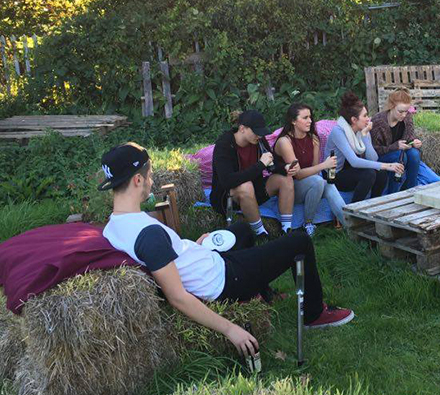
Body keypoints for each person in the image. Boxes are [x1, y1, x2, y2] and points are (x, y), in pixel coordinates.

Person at [99, 143, 355, 358]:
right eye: (150, 174)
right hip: (224, 279)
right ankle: (314, 314)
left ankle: (263, 293)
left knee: (243, 231)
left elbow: (169, 258)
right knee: (299, 242)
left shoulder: (113, 226)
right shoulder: (148, 234)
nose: (152, 181)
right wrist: (231, 329)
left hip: (205, 260)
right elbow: (177, 296)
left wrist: (194, 247)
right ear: (137, 179)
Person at [210, 110, 299, 238]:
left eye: (261, 132)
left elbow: (271, 164)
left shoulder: (259, 141)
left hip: (255, 190)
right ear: (242, 129)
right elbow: (227, 181)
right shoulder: (224, 145)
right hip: (227, 196)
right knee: (246, 186)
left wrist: (284, 168)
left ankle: (286, 229)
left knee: (286, 179)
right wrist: (260, 165)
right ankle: (260, 233)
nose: (259, 135)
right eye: (256, 131)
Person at [274, 103, 347, 235]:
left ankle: (350, 226)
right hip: (288, 189)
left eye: (310, 117)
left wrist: (320, 167)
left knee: (327, 184)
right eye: (305, 118)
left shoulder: (313, 139)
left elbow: (314, 169)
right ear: (293, 121)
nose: (310, 121)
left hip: (309, 183)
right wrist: (324, 165)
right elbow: (298, 175)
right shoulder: (285, 142)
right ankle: (308, 224)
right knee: (319, 181)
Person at [324, 91, 403, 203]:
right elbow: (354, 161)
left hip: (351, 171)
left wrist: (365, 136)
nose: (368, 119)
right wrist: (387, 165)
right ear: (354, 120)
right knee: (369, 174)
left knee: (381, 173)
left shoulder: (361, 130)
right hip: (334, 175)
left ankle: (374, 206)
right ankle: (353, 211)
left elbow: (373, 159)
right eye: (365, 116)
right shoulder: (338, 131)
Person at [371, 88, 423, 193]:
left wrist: (414, 142)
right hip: (382, 156)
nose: (404, 115)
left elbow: (409, 137)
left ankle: (411, 190)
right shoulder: (378, 122)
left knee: (414, 154)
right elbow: (373, 151)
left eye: (406, 111)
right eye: (400, 111)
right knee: (400, 156)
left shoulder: (407, 117)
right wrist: (395, 146)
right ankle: (393, 193)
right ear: (391, 107)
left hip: (400, 152)